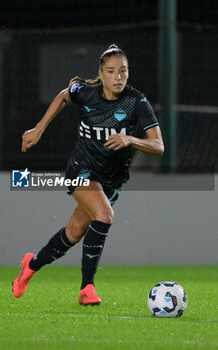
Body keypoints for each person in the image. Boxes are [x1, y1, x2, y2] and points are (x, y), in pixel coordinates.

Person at [12, 44, 164, 305]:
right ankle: (87, 288)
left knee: (74, 232)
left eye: (123, 71)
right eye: (111, 71)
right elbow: (63, 95)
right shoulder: (86, 93)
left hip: (112, 179)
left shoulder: (137, 102)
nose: (118, 76)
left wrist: (130, 139)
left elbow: (158, 146)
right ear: (101, 74)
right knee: (104, 215)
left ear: (129, 74)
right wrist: (38, 129)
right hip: (81, 169)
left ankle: (31, 265)